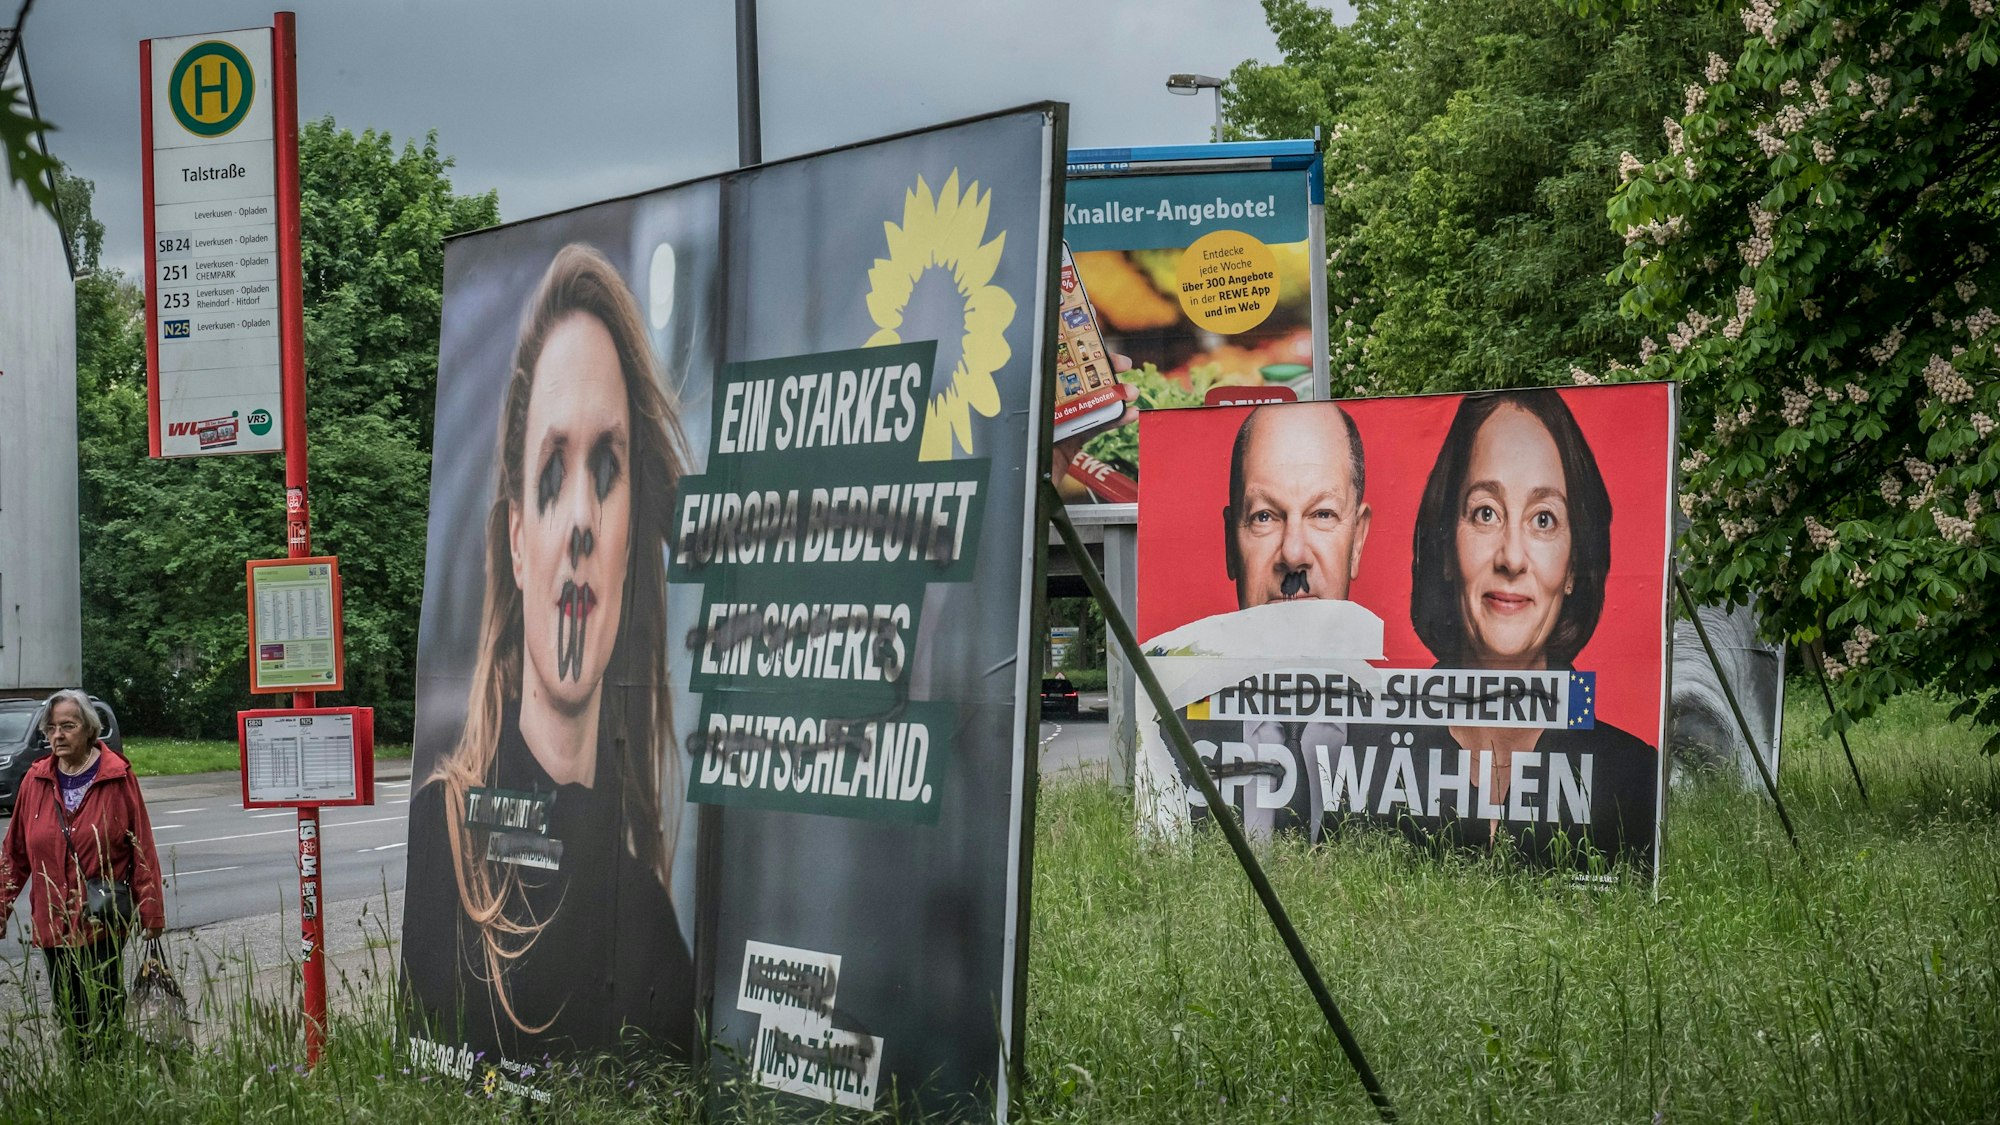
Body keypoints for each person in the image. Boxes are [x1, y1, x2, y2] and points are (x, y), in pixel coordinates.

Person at [403, 243, 696, 1061]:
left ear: (632, 540)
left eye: (607, 468)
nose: (580, 521)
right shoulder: (444, 839)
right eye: (553, 470)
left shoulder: (653, 929)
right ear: (518, 538)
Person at [1351, 390, 1657, 869]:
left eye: (1543, 519)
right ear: (1448, 546)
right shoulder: (1364, 758)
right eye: (1485, 513)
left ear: (1574, 563)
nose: (1512, 558)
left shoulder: (1636, 779)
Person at [1180, 401, 1373, 838]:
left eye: (1322, 514)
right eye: (1264, 516)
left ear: (1357, 540)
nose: (1293, 555)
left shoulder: (1416, 742)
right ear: (1232, 542)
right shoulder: (1168, 738)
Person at [0, 689, 166, 1058]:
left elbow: (142, 845)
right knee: (69, 1012)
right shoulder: (35, 780)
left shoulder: (117, 777)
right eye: (52, 728)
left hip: (101, 920)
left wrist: (151, 908)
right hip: (53, 922)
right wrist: (2, 904)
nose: (58, 735)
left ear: (89, 730)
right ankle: (82, 1082)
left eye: (68, 726)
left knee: (104, 1011)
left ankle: (110, 1081)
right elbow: (14, 854)